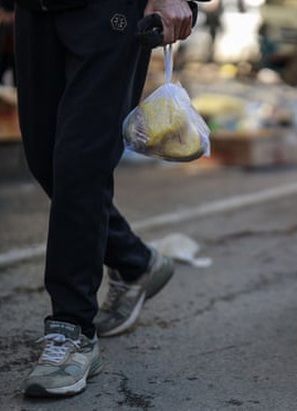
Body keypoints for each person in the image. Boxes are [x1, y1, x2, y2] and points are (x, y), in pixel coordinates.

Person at [13, 0, 194, 397]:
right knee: (47, 162)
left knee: (81, 164)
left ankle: (73, 330)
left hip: (109, 10)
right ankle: (135, 261)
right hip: (35, 10)